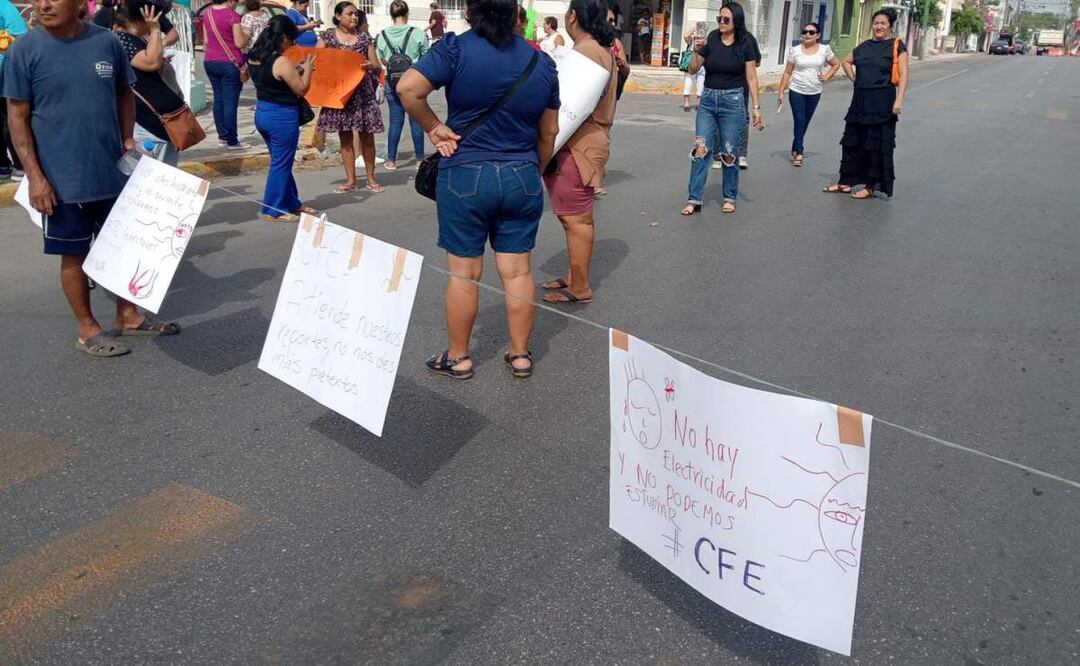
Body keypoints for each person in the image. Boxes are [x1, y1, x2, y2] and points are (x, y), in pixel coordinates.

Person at [4, 0, 181, 357]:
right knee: (73, 253)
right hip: (60, 177)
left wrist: (127, 139)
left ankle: (128, 314)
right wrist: (36, 177)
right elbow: (17, 117)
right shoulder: (25, 49)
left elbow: (124, 95)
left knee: (122, 244)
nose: (42, 4)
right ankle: (87, 329)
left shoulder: (107, 43)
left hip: (111, 170)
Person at [398, 0, 559, 380]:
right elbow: (549, 133)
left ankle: (459, 357)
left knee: (464, 273)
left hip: (466, 171)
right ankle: (520, 354)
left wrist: (435, 128)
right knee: (518, 270)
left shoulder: (455, 48)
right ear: (516, 14)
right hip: (521, 172)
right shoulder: (542, 62)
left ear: (471, 11)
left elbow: (408, 88)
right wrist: (533, 168)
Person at [541, 0, 618, 305]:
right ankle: (575, 275)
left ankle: (581, 285)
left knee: (577, 219)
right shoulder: (600, 50)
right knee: (572, 217)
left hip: (578, 144)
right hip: (585, 142)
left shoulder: (587, 53)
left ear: (572, 15)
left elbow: (568, 103)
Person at [681, 1, 763, 216]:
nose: (721, 23)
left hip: (733, 101)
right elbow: (692, 68)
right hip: (707, 101)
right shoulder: (712, 39)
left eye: (726, 19)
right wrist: (695, 48)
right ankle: (694, 199)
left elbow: (752, 77)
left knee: (728, 152)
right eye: (719, 19)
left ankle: (729, 196)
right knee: (701, 150)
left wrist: (756, 107)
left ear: (736, 20)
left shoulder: (745, 42)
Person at [824, 7, 908, 199]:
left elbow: (904, 74)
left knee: (875, 145)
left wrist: (900, 98)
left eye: (882, 23)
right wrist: (855, 79)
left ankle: (870, 186)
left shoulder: (896, 46)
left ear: (890, 26)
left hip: (882, 103)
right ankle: (845, 182)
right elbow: (846, 61)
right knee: (852, 143)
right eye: (876, 23)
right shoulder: (864, 46)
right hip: (860, 102)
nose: (878, 27)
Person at [248, 15, 317, 220]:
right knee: (281, 164)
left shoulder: (254, 56)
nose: (292, 44)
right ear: (283, 37)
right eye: (291, 39)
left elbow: (271, 79)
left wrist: (297, 69)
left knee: (281, 161)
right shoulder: (281, 61)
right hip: (281, 117)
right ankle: (274, 208)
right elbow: (302, 89)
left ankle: (291, 202)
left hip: (263, 112)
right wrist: (308, 70)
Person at [316, 2, 384, 193]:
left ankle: (371, 179)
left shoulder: (364, 38)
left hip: (362, 94)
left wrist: (370, 66)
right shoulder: (327, 37)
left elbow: (377, 64)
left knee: (367, 138)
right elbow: (315, 60)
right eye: (349, 14)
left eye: (355, 14)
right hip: (340, 95)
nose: (354, 17)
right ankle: (351, 180)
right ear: (338, 16)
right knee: (345, 138)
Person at [113, 1, 187, 166]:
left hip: (158, 126)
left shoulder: (135, 40)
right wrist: (154, 30)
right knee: (152, 179)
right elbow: (151, 62)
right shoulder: (122, 40)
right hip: (147, 126)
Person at [776, 22, 839, 166]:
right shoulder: (795, 50)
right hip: (796, 90)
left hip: (814, 91)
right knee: (799, 120)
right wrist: (781, 91)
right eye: (805, 32)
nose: (807, 35)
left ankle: (795, 145)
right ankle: (799, 152)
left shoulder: (824, 49)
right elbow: (787, 72)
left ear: (818, 35)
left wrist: (827, 76)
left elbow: (836, 64)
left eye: (811, 32)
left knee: (805, 122)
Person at [376, 0, 427, 170]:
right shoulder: (418, 33)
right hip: (414, 81)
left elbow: (381, 59)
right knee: (416, 120)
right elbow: (427, 56)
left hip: (392, 82)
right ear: (407, 14)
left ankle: (391, 160)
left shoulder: (382, 35)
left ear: (391, 15)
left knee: (396, 120)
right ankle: (420, 159)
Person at [203, 0, 250, 150]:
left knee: (219, 99)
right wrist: (247, 34)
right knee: (230, 102)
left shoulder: (207, 14)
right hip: (230, 63)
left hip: (210, 60)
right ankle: (232, 140)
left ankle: (222, 136)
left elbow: (205, 41)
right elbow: (239, 43)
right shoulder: (232, 16)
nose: (237, 4)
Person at [0, 0, 28, 181]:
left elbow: (22, 39)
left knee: (10, 118)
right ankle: (5, 165)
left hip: (5, 75)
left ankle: (18, 164)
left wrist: (5, 39)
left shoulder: (4, 6)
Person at [681, 28, 704, 112]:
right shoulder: (691, 43)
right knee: (688, 84)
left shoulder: (705, 45)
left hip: (702, 67)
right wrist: (695, 28)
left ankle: (699, 104)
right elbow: (686, 35)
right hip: (690, 66)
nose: (699, 39)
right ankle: (686, 104)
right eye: (697, 38)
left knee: (701, 86)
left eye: (700, 37)